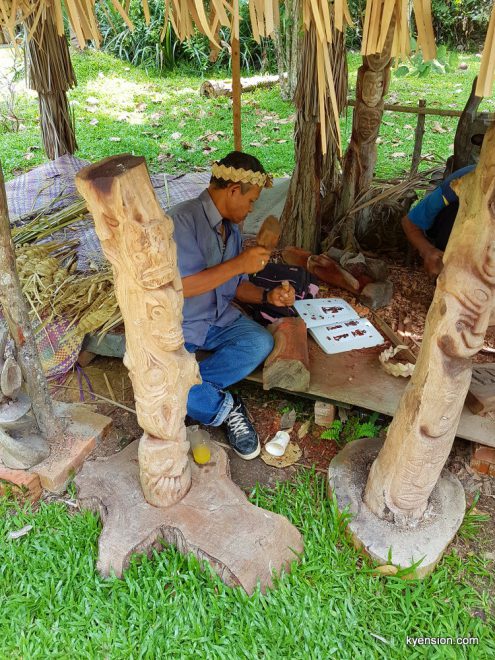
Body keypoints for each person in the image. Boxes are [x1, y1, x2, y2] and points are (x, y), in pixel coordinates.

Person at [169, 151, 295, 460]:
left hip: (219, 320)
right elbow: (184, 286)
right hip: (182, 325)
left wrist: (268, 298)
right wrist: (240, 263)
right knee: (168, 383)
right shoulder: (181, 221)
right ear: (234, 190)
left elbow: (235, 285)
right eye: (251, 201)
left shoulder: (232, 229)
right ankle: (224, 408)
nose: (253, 209)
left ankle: (191, 389)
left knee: (259, 342)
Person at [401, 164, 475, 277]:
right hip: (453, 237)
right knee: (454, 212)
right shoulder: (458, 184)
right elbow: (409, 223)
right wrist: (428, 251)